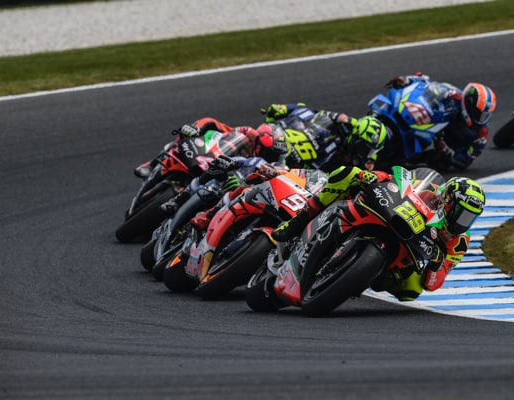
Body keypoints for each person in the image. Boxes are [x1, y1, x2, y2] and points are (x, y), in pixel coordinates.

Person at [271, 164, 486, 301]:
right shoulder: (430, 190)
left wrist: (438, 262)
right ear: (447, 201)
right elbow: (397, 180)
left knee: (411, 291)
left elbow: (433, 284)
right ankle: (298, 222)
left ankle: (365, 275)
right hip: (391, 213)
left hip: (407, 251)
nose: (463, 222)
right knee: (347, 173)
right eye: (461, 213)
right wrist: (371, 177)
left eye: (470, 217)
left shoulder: (459, 241)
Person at [383, 72, 497, 171]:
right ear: (468, 103)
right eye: (478, 113)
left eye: (484, 115)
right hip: (429, 124)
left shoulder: (481, 135)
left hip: (445, 146)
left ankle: (405, 162)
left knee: (439, 163)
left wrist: (448, 151)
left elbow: (466, 160)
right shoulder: (454, 94)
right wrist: (408, 80)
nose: (480, 118)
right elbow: (428, 84)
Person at [134, 117, 287, 178]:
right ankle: (152, 164)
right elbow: (215, 124)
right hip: (210, 156)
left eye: (271, 153)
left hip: (222, 176)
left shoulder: (271, 166)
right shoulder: (248, 133)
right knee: (183, 136)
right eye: (266, 149)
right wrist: (196, 128)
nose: (267, 154)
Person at [261, 103, 390, 171]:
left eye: (370, 151)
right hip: (295, 146)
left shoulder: (365, 161)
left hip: (311, 176)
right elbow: (312, 112)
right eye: (364, 148)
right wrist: (284, 109)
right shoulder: (346, 123)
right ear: (356, 137)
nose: (365, 153)